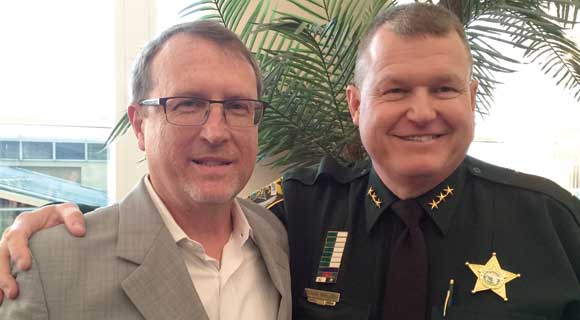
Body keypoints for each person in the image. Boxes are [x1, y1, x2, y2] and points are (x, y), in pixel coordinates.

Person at [1, 3, 580, 320]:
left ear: (471, 99)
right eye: (396, 90)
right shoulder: (299, 211)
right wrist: (35, 228)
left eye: (445, 90)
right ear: (356, 105)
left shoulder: (557, 223)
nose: (422, 113)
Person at [0, 20, 291, 320]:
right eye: (188, 104)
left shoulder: (279, 237)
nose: (215, 132)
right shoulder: (48, 265)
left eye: (237, 106)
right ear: (139, 125)